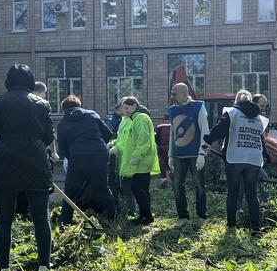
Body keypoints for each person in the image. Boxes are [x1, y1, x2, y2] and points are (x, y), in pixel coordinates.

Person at [0, 64, 55, 271]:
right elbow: (48, 137)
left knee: (4, 220)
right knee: (40, 217)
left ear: (8, 81)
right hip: (36, 159)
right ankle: (44, 268)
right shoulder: (42, 103)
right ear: (30, 80)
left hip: (5, 158)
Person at [203, 89, 268, 236]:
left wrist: (207, 140)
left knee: (233, 193)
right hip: (254, 159)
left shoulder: (232, 113)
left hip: (235, 158)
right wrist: (266, 155)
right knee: (252, 194)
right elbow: (260, 139)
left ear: (237, 101)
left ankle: (231, 226)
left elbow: (219, 128)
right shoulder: (259, 119)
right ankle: (256, 227)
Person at [56, 95, 116, 225]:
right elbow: (108, 134)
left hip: (77, 157)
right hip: (99, 155)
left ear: (64, 109)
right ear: (79, 105)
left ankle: (65, 223)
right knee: (103, 188)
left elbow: (62, 148)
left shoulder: (63, 124)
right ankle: (113, 220)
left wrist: (72, 156)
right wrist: (98, 147)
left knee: (70, 192)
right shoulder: (92, 114)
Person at [109, 96, 159, 224]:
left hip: (141, 160)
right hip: (140, 160)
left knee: (137, 188)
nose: (125, 111)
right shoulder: (134, 118)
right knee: (142, 188)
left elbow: (143, 140)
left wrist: (136, 157)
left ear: (135, 106)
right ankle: (146, 215)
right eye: (123, 108)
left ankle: (146, 215)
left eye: (127, 108)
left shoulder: (140, 118)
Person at [167, 82, 209, 227]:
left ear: (184, 94)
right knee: (177, 185)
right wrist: (170, 154)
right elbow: (172, 134)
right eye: (171, 94)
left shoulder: (197, 107)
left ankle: (202, 216)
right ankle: (182, 216)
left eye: (174, 94)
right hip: (179, 155)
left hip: (194, 154)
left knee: (199, 185)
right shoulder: (172, 110)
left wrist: (202, 153)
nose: (172, 97)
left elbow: (205, 131)